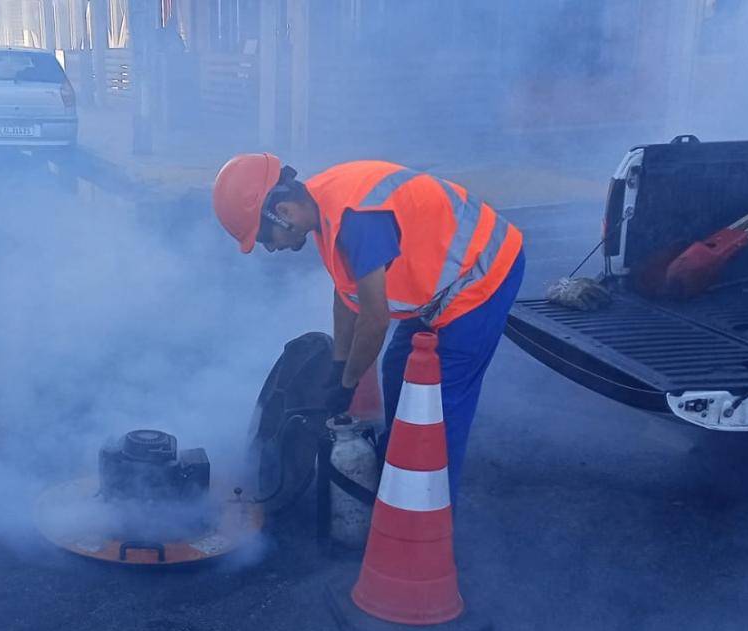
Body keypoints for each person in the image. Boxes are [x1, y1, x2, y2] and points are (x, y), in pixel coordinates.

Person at [212, 154, 525, 503]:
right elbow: (347, 297)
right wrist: (339, 365)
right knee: (397, 369)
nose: (270, 248)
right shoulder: (324, 207)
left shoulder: (355, 219)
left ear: (283, 212)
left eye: (264, 238)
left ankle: (425, 507)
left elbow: (375, 319)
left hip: (482, 274)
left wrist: (348, 384)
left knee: (439, 403)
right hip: (442, 285)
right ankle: (397, 471)